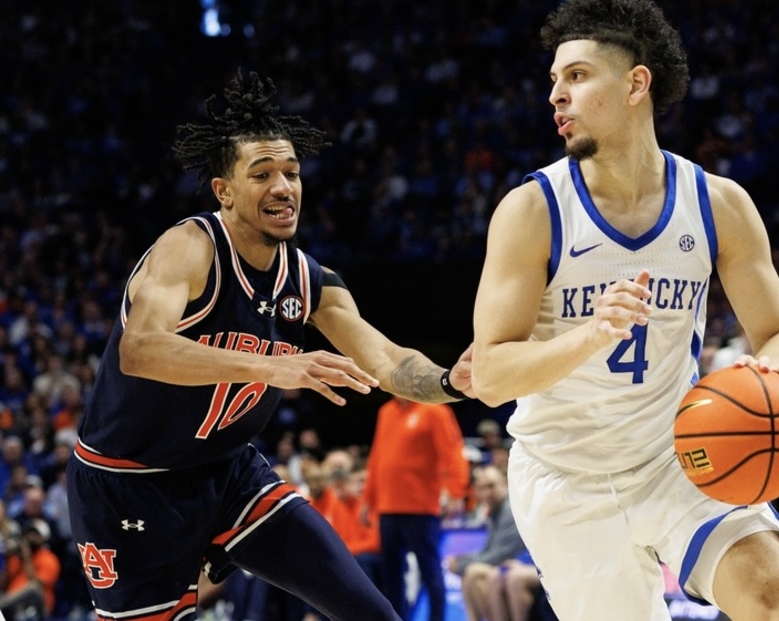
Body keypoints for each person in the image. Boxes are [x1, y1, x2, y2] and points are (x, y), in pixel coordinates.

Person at [65, 71, 476, 621]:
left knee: (370, 611)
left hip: (229, 475)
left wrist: (451, 381)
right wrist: (275, 365)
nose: (283, 187)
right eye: (262, 174)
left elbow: (387, 359)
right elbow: (139, 350)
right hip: (128, 484)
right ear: (224, 191)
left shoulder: (309, 280)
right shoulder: (188, 248)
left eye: (292, 173)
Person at [470, 0, 779, 620]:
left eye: (576, 76)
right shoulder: (532, 212)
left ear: (636, 83)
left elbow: (777, 336)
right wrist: (590, 334)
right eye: (554, 79)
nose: (556, 94)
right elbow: (490, 376)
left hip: (681, 454)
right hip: (565, 476)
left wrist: (772, 378)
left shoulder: (719, 204)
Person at [361, 395, 469, 621]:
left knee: (430, 571)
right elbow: (377, 458)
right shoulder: (386, 411)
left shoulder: (434, 410)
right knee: (392, 575)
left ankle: (437, 618)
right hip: (388, 508)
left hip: (421, 509)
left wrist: (456, 492)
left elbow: (452, 452)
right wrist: (368, 500)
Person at [446, 465, 526, 621]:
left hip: (522, 564)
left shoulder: (510, 510)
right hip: (508, 566)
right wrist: (462, 560)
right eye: (482, 488)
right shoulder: (496, 510)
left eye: (491, 486)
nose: (487, 493)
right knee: (471, 573)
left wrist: (461, 564)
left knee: (474, 573)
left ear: (505, 483)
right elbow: (488, 550)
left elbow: (500, 555)